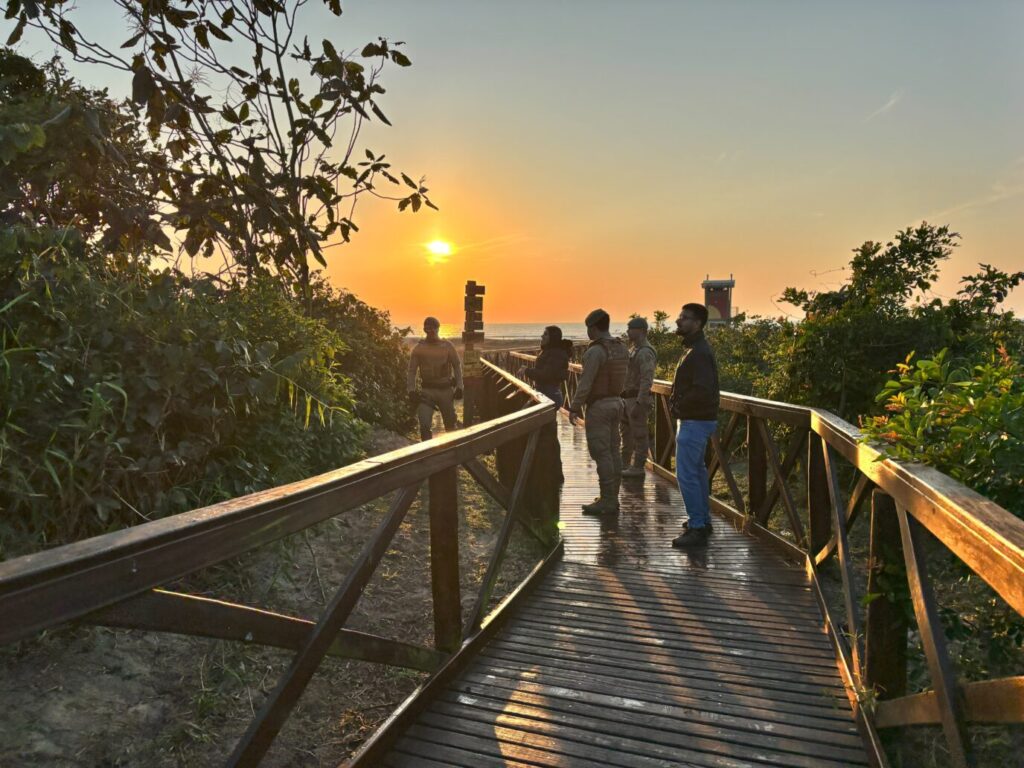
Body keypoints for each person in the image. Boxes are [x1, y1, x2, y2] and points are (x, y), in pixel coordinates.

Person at [669, 303, 721, 547]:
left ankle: (697, 526)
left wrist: (679, 406)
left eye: (685, 318)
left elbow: (702, 388)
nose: (679, 321)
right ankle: (702, 520)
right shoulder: (695, 349)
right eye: (680, 316)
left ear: (698, 324)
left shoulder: (698, 352)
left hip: (694, 420)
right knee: (698, 473)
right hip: (698, 419)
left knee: (686, 475)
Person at [568, 309, 628, 515]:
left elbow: (586, 383)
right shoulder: (621, 348)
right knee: (614, 451)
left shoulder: (595, 351)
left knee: (602, 453)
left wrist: (574, 406)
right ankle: (612, 496)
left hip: (599, 406)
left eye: (588, 329)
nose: (588, 333)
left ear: (593, 328)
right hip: (617, 402)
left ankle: (608, 500)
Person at [407, 316, 463, 440]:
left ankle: (453, 452)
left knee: (450, 425)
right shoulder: (419, 348)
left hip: (445, 390)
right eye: (427, 330)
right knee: (424, 424)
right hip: (427, 391)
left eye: (433, 329)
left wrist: (460, 387)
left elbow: (457, 365)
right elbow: (412, 371)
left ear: (438, 329)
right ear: (424, 329)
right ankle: (428, 454)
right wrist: (411, 390)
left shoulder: (447, 346)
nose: (430, 332)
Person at [620, 317, 657, 478]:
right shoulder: (634, 349)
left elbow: (646, 379)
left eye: (631, 328)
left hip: (636, 399)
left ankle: (638, 467)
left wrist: (640, 402)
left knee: (640, 434)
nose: (628, 331)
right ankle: (625, 464)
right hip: (627, 398)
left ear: (641, 331)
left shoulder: (645, 352)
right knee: (626, 434)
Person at [523, 325, 573, 409]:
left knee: (525, 416)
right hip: (545, 393)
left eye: (545, 334)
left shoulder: (556, 353)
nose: (542, 336)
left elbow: (546, 375)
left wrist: (526, 370)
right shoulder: (550, 351)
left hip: (550, 395)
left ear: (553, 338)